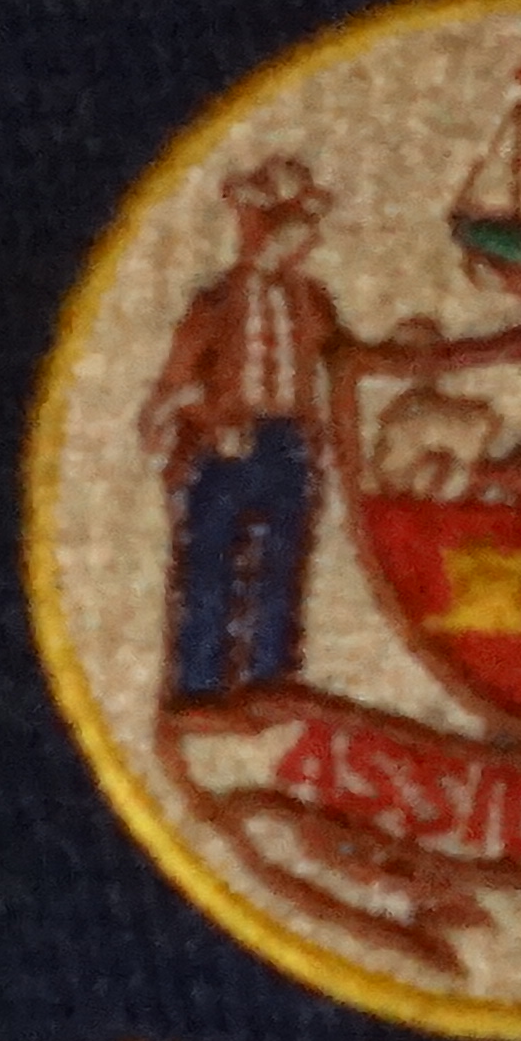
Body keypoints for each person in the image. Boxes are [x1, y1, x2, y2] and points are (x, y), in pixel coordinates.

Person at [141, 156, 349, 701]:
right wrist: (212, 422)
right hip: (226, 445)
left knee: (283, 563)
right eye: (288, 234)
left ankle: (269, 684)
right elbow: (174, 385)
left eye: (302, 236)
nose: (298, 246)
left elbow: (345, 367)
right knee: (210, 562)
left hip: (289, 444)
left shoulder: (312, 303)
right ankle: (199, 688)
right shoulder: (215, 303)